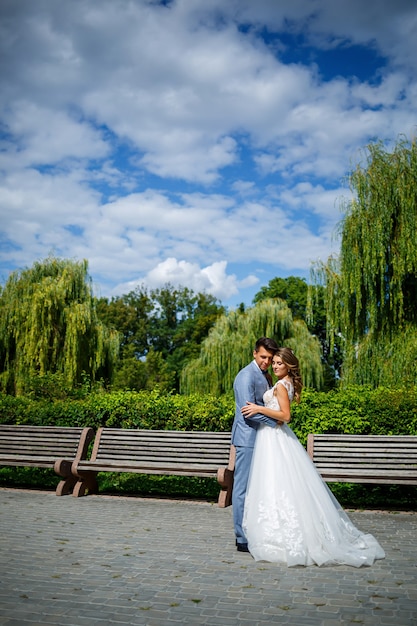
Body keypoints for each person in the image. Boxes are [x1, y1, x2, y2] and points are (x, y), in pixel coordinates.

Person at [241, 347, 385, 567]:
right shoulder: (284, 383)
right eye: (274, 362)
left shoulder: (281, 385)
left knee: (276, 481)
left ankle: (285, 534)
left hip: (274, 436)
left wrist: (259, 409)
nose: (275, 365)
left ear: (289, 365)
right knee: (279, 483)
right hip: (271, 437)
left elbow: (285, 416)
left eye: (279, 363)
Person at [232, 336, 279, 552]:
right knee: (241, 488)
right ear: (254, 353)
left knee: (259, 487)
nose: (266, 362)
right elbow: (247, 412)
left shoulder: (265, 376)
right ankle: (241, 538)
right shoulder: (245, 376)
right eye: (263, 357)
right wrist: (275, 421)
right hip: (247, 438)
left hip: (262, 439)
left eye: (269, 358)